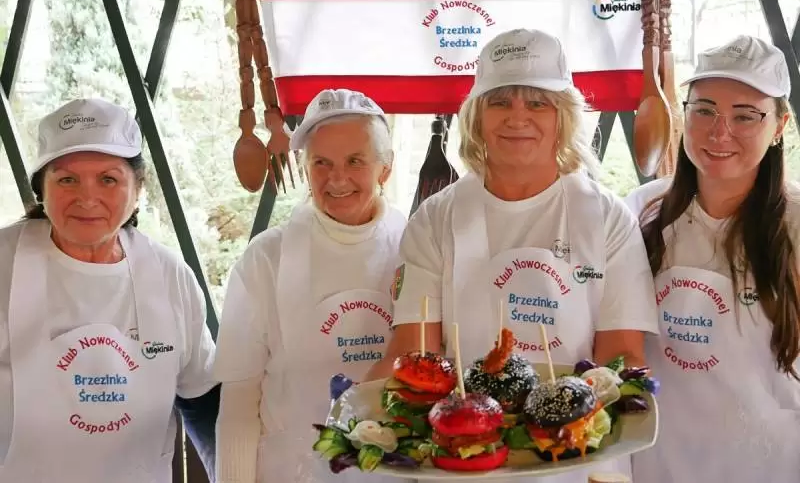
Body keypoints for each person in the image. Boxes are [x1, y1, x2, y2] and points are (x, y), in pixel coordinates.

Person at [365, 28, 659, 482]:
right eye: (500, 101)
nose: (517, 117)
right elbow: (414, 355)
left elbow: (620, 357)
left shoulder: (606, 217)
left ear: (563, 117)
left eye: (538, 103)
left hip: (579, 462)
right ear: (477, 116)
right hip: (464, 460)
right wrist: (361, 415)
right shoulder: (436, 219)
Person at [0, 98, 218, 482]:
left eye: (108, 179)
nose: (87, 198)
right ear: (41, 190)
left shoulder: (170, 275)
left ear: (138, 188)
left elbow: (200, 396)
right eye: (67, 180)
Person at [626, 35, 800, 482]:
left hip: (768, 462)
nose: (720, 132)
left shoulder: (795, 225)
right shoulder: (641, 212)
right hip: (659, 459)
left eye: (745, 115)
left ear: (779, 125)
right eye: (704, 110)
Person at [213, 89, 410, 483]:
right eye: (321, 163)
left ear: (385, 168)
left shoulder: (416, 247)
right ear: (305, 168)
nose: (337, 178)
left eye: (355, 161)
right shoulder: (266, 258)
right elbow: (238, 401)